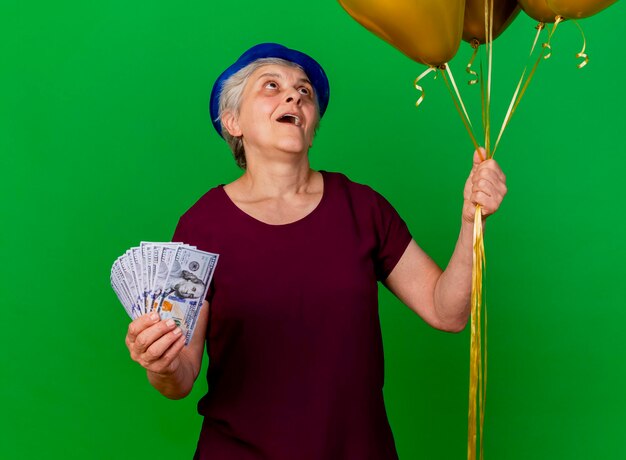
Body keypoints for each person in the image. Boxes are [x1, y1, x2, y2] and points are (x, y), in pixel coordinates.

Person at [124, 43, 507, 459]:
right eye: (271, 86)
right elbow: (181, 376)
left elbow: (446, 310)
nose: (294, 96)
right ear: (232, 121)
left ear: (312, 124)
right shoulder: (202, 225)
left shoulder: (362, 208)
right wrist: (160, 363)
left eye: (304, 91)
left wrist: (471, 223)